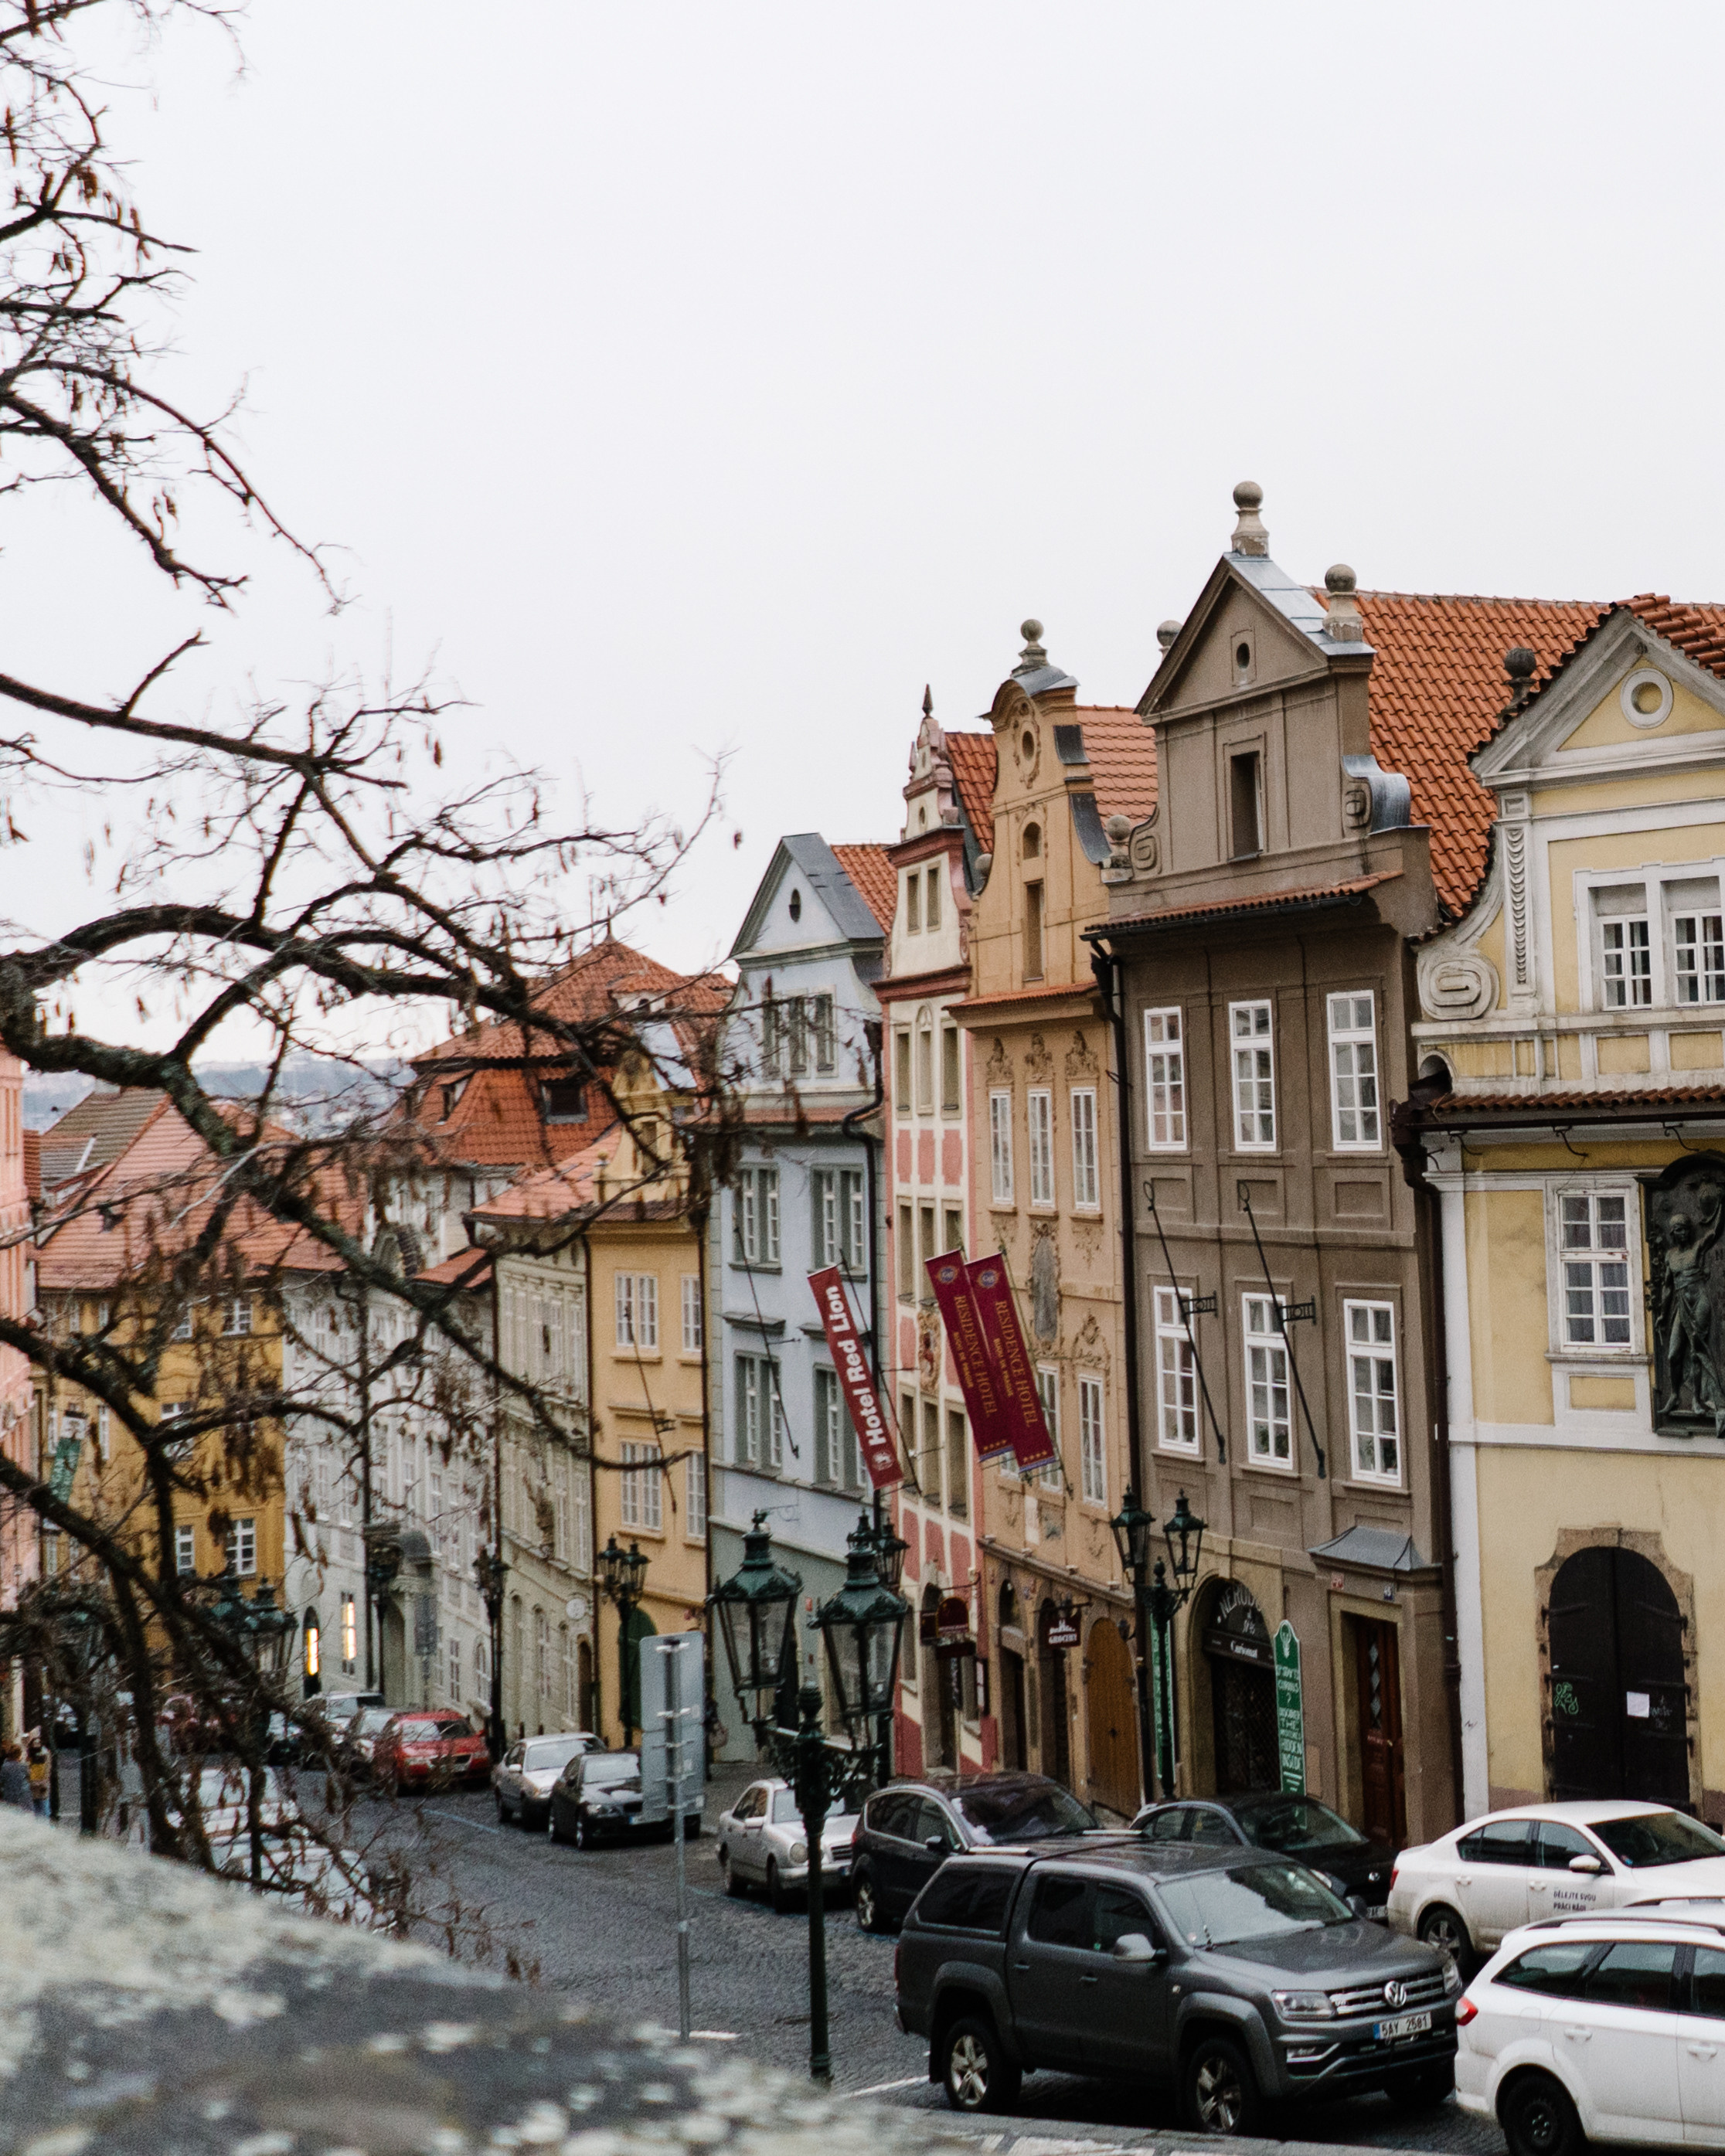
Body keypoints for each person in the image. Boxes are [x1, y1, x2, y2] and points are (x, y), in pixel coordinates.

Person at [0, 1739, 32, 1812]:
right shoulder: (24, 1766)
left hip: (9, 1795)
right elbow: (29, 1778)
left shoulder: (5, 1766)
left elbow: (1, 1780)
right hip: (23, 1796)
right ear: (20, 1755)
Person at [26, 1733, 50, 1818]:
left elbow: (47, 1769)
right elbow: (28, 1769)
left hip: (40, 1785)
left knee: (43, 1806)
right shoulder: (30, 1756)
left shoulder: (44, 1755)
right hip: (36, 1785)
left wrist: (43, 1782)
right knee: (39, 1806)